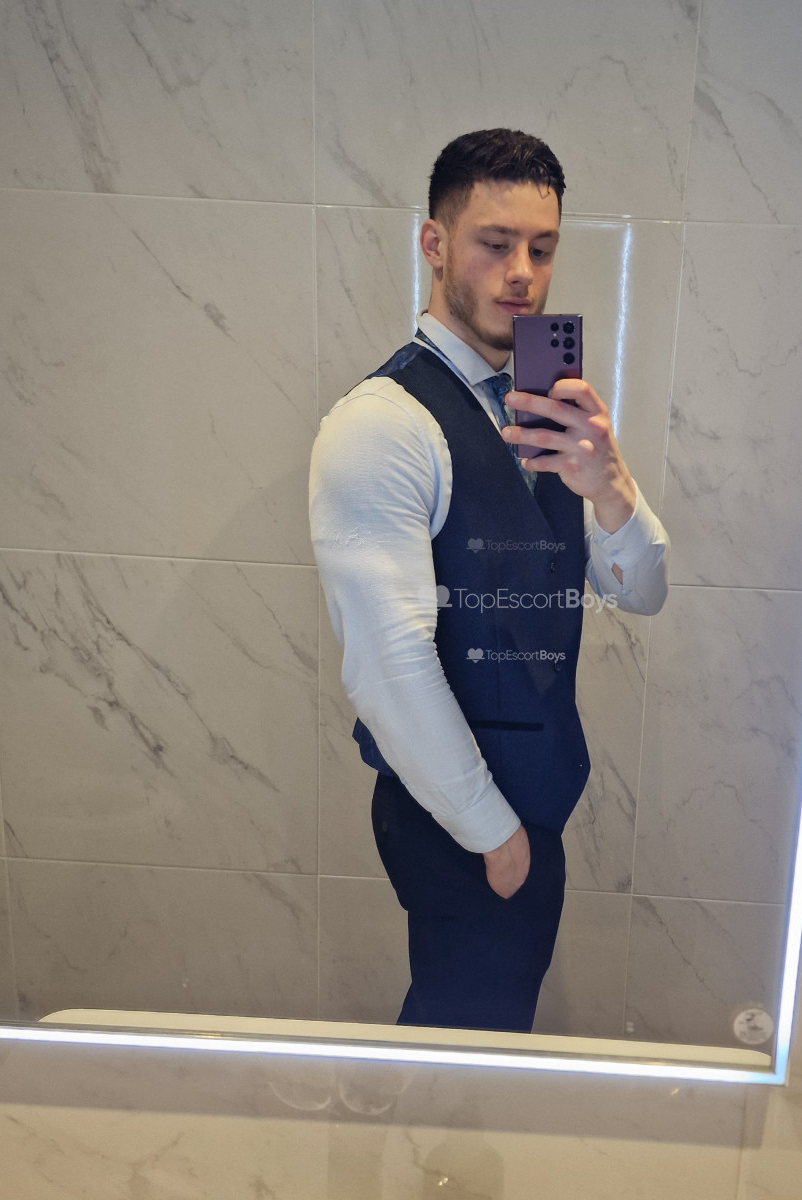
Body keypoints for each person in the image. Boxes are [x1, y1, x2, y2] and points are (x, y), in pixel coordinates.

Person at [308, 129, 669, 1034]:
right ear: (434, 245)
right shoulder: (382, 425)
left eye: (542, 249)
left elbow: (640, 592)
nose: (522, 274)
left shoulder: (543, 413)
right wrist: (493, 834)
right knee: (465, 1057)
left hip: (527, 805)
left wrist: (611, 488)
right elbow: (388, 663)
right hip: (460, 821)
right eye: (495, 243)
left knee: (473, 1041)